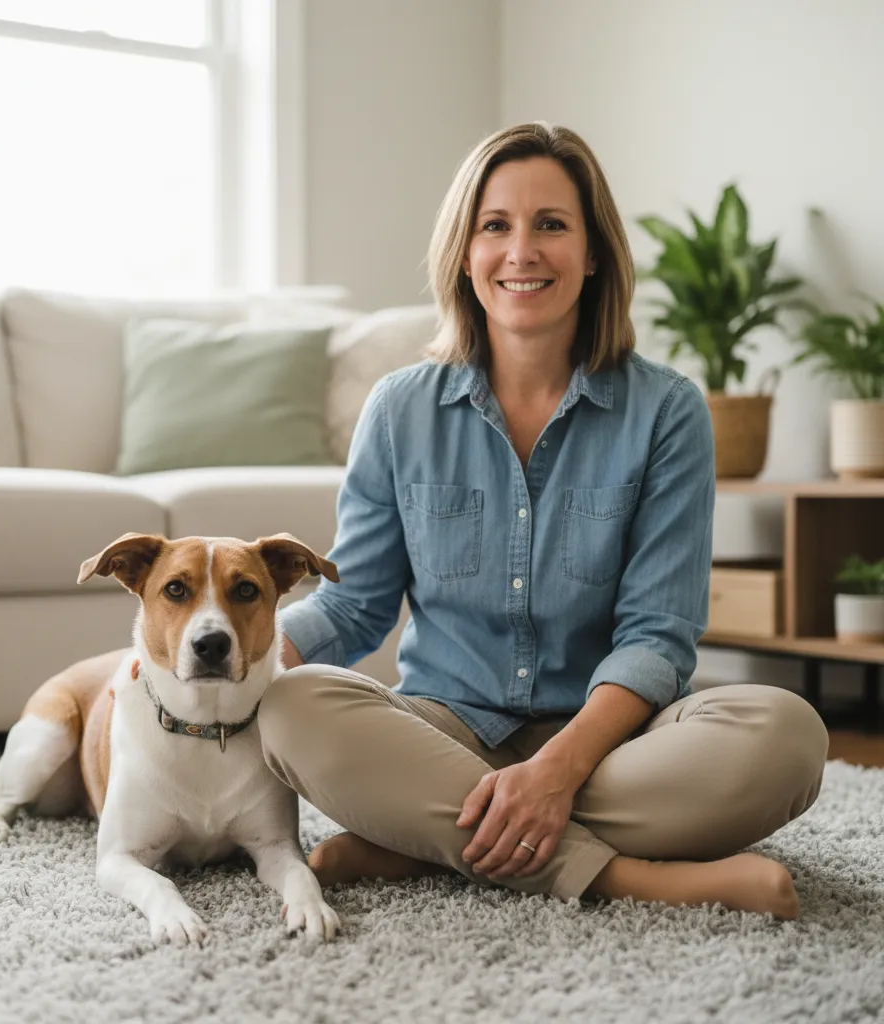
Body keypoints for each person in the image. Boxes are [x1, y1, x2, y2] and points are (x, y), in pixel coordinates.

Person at [259, 121, 828, 920]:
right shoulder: (398, 410)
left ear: (593, 253)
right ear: (465, 251)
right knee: (292, 707)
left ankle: (426, 839)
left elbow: (657, 637)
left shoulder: (667, 411)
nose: (521, 251)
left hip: (612, 746)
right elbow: (355, 606)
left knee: (788, 732)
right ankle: (639, 878)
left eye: (551, 225)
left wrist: (557, 770)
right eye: (496, 226)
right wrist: (227, 658)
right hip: (444, 729)